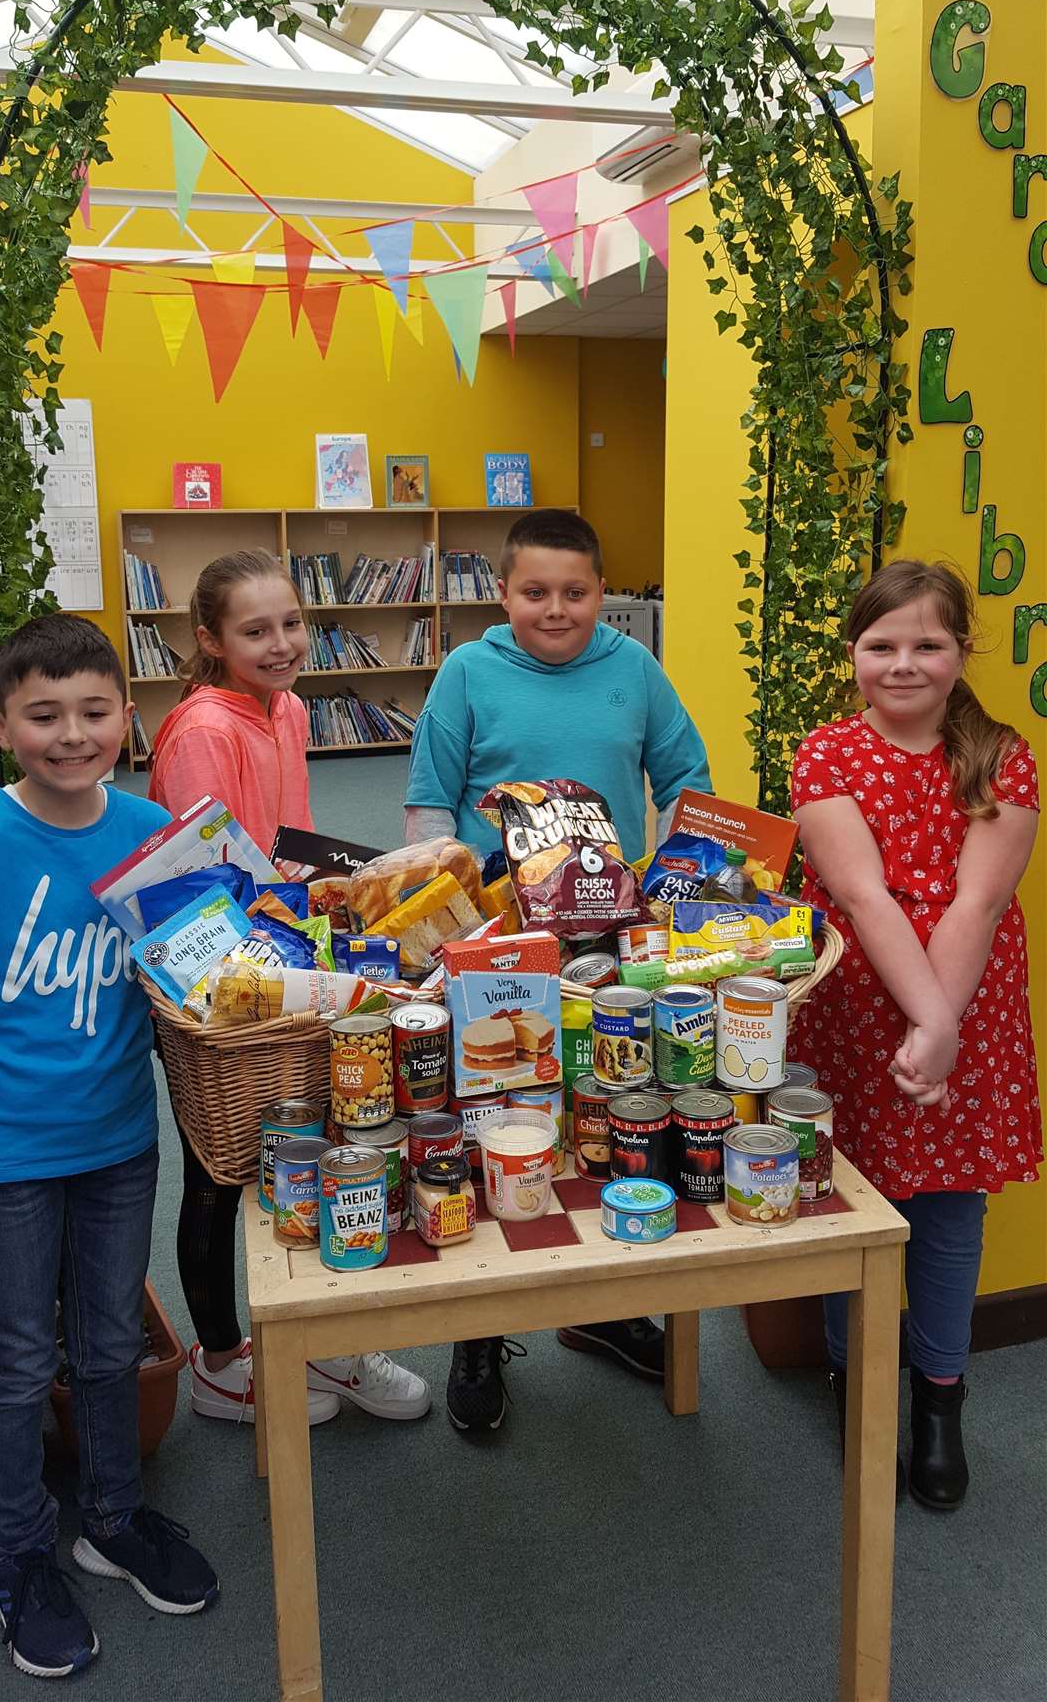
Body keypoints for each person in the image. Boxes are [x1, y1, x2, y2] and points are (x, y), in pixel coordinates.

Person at [404, 509, 712, 1432]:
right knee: (494, 1116)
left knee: (607, 1113)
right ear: (503, 593)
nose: (555, 609)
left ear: (601, 592)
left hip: (608, 941)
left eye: (575, 592)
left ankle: (607, 1309)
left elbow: (687, 783)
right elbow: (428, 812)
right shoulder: (467, 672)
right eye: (534, 591)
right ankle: (478, 1334)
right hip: (495, 945)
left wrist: (671, 890)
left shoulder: (635, 671)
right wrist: (449, 926)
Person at [0, 615, 218, 1680]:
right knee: (22, 1362)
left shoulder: (157, 828)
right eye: (43, 715)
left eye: (94, 712)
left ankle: (112, 1516)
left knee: (111, 1340)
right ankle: (19, 1558)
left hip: (120, 1135)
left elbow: (197, 969)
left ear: (131, 715)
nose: (72, 735)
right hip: (5, 1147)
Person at [148, 550, 430, 1428]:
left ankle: (326, 1343)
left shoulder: (295, 710)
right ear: (209, 639)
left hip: (293, 949)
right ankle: (221, 1362)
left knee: (311, 1147)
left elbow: (290, 843)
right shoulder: (204, 730)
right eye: (254, 630)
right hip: (218, 976)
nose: (280, 645)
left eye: (291, 624)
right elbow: (205, 875)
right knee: (219, 1167)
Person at [788, 560, 1041, 1510]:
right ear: (852, 653)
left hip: (969, 998)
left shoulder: (1003, 755)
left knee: (944, 1210)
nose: (903, 664)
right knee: (847, 1199)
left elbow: (976, 901)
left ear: (959, 651)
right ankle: (857, 1381)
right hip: (860, 1004)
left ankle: (939, 1400)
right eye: (880, 645)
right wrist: (925, 1024)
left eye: (927, 644)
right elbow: (860, 894)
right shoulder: (825, 753)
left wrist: (943, 1028)